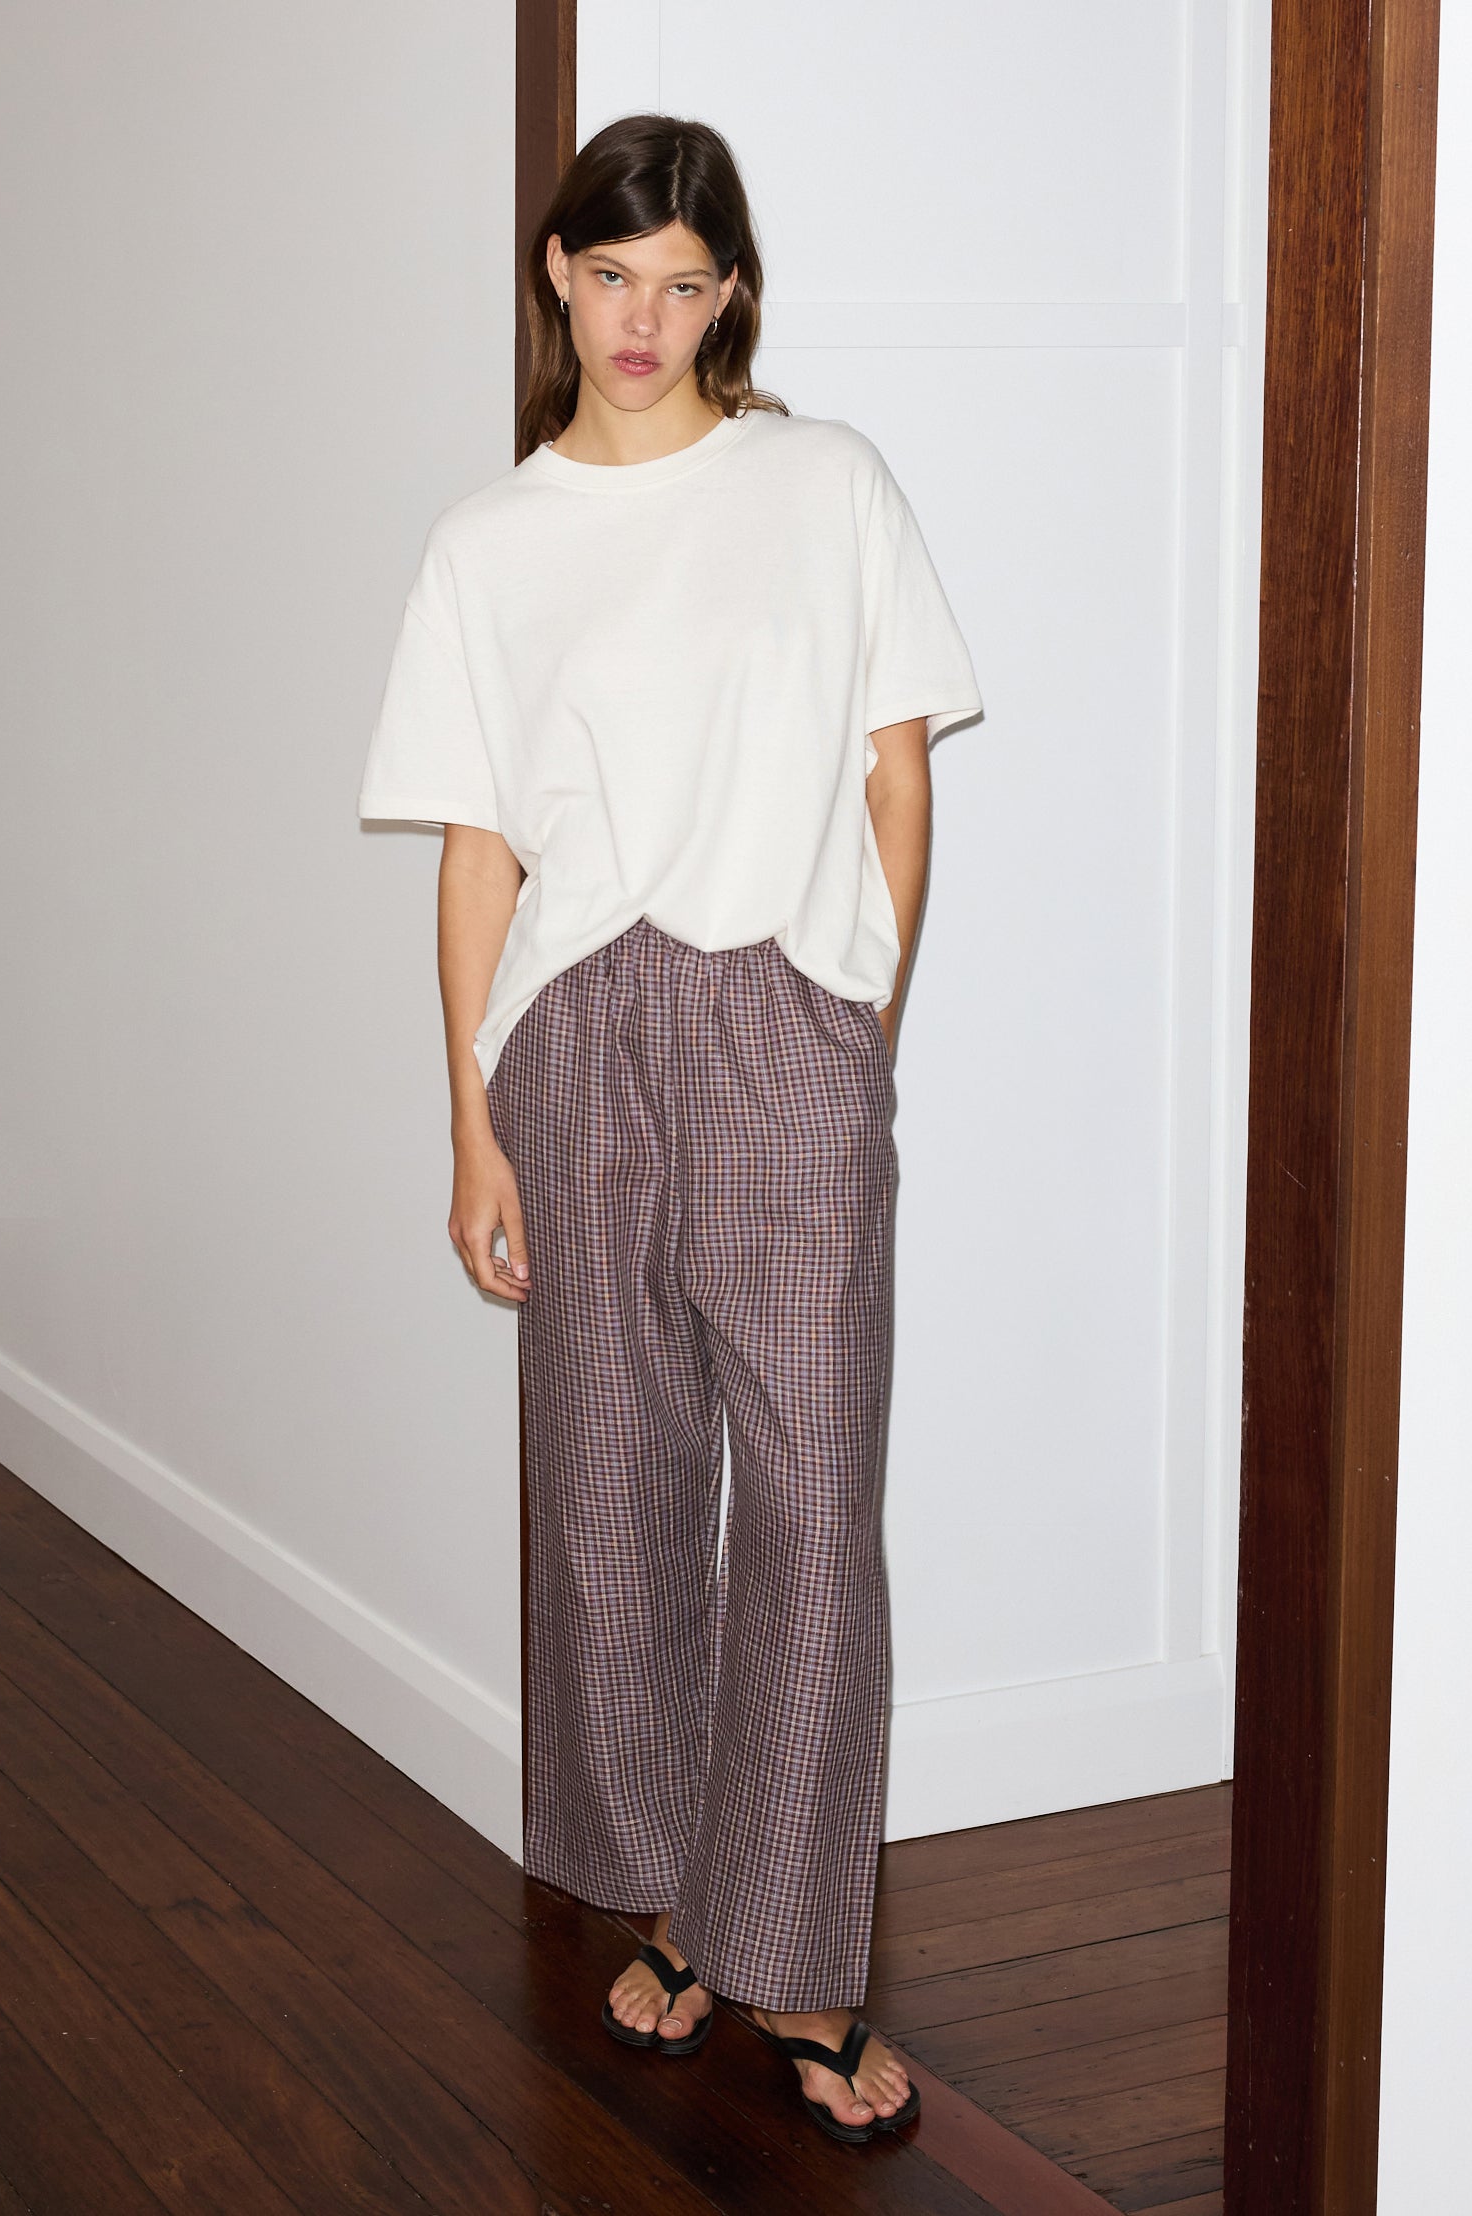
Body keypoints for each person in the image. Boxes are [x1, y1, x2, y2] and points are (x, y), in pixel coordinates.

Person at [358, 112, 981, 2147]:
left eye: (685, 280)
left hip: (778, 1004)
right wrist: (473, 1126)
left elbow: (896, 777)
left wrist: (852, 1029)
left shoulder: (825, 484)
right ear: (558, 275)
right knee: (616, 1490)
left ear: (733, 295)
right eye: (611, 274)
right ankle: (688, 1916)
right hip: (575, 1025)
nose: (645, 318)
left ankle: (795, 1957)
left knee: (810, 1496)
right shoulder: (489, 540)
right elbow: (473, 852)